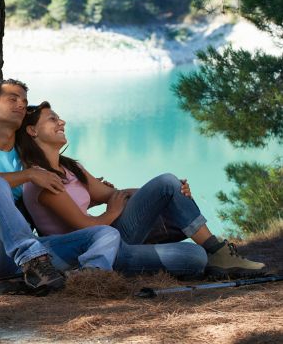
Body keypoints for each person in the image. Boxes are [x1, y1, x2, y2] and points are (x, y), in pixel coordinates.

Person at [16, 101, 267, 279]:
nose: (62, 121)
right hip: (94, 253)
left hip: (114, 236)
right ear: (32, 130)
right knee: (195, 258)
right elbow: (85, 225)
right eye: (53, 119)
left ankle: (217, 251)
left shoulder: (71, 168)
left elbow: (110, 194)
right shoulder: (41, 180)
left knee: (169, 185)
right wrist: (113, 212)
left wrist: (169, 193)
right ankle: (213, 254)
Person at [0, 79, 122, 294]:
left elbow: (49, 202)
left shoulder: (28, 159)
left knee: (104, 234)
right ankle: (34, 261)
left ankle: (90, 277)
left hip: (23, 260)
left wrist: (90, 195)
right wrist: (28, 175)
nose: (21, 104)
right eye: (13, 99)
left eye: (24, 100)